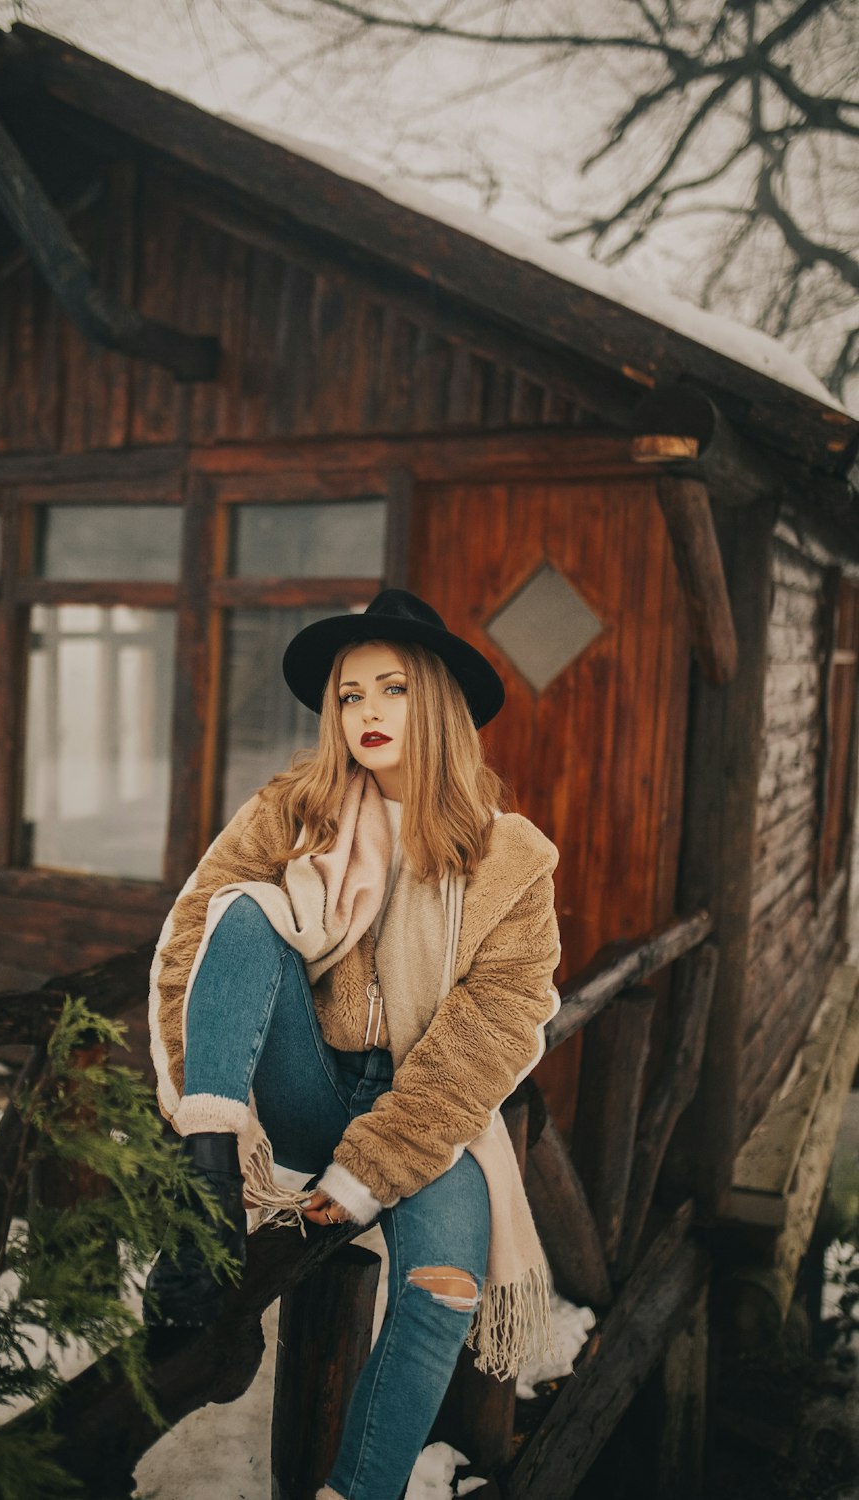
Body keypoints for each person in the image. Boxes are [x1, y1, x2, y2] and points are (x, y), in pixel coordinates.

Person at [145, 589, 562, 1500]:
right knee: (242, 915)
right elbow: (191, 945)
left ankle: (356, 1491)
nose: (367, 714)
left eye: (393, 690)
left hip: (421, 1108)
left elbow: (493, 1029)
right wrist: (196, 1100)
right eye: (349, 695)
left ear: (440, 703)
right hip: (307, 1085)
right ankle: (202, 1189)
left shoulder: (511, 861)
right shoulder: (297, 810)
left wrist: (370, 1168)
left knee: (444, 1289)